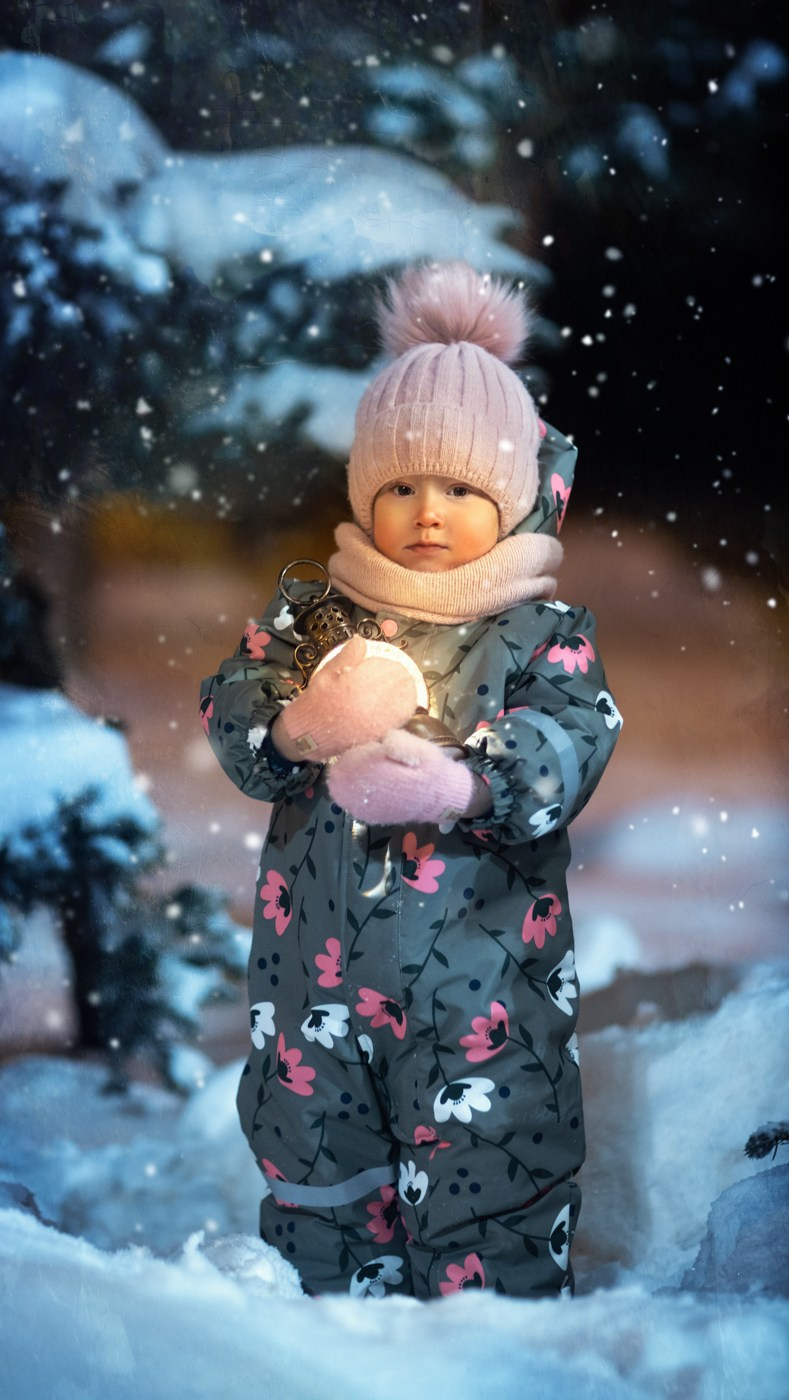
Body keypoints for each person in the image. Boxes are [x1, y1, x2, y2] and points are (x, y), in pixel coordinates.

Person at [200, 260, 622, 1300]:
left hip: (485, 979)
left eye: (461, 487)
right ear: (363, 493)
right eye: (400, 485)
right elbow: (233, 702)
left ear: (512, 494)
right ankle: (323, 1337)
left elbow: (574, 736)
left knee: (489, 1154)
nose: (427, 510)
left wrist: (462, 784)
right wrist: (297, 724)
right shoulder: (317, 617)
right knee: (318, 1152)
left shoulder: (540, 633)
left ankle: (487, 1338)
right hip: (316, 977)